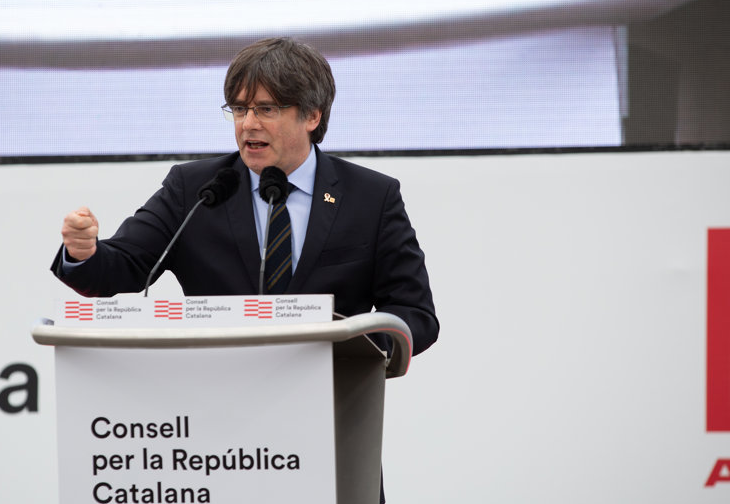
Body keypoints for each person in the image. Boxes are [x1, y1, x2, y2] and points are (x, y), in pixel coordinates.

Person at [51, 36, 440, 357]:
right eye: (239, 109)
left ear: (312, 116)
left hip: (335, 402)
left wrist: (355, 352)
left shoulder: (371, 197)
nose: (248, 124)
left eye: (266, 109)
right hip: (215, 405)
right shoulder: (196, 189)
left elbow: (414, 312)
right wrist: (84, 254)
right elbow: (123, 267)